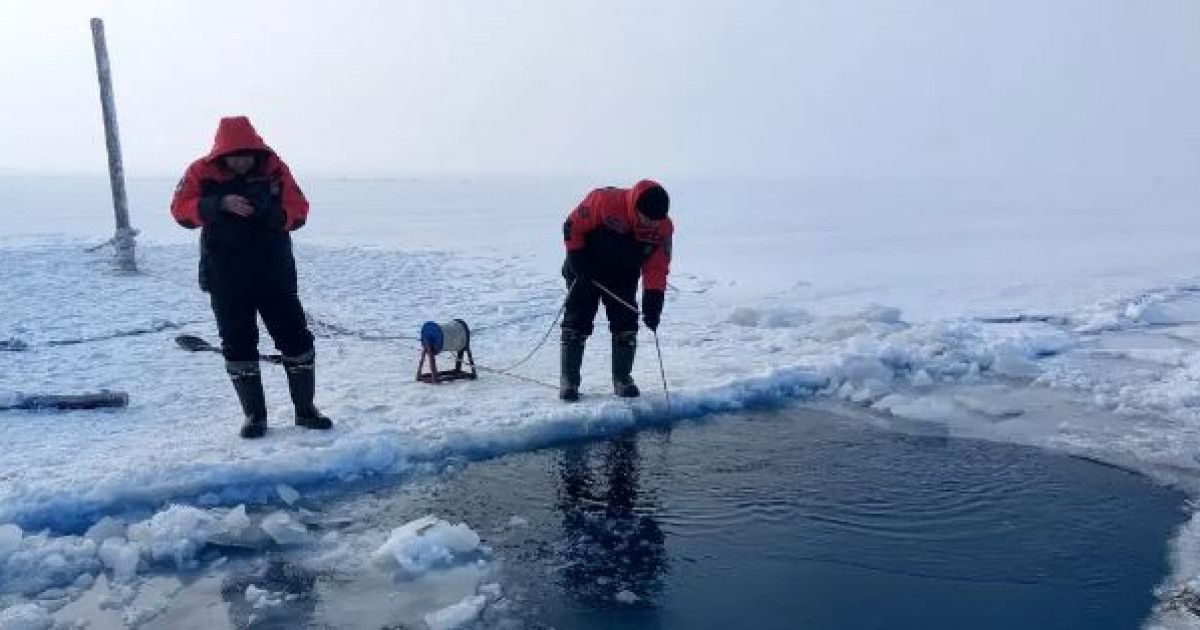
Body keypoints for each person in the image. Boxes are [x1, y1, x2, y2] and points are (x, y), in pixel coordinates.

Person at [170, 116, 332, 438]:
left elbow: (299, 209)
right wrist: (218, 203)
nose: (241, 161)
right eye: (234, 155)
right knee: (238, 345)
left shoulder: (274, 168)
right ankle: (254, 416)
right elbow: (180, 210)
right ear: (221, 154)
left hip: (274, 274)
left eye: (246, 154)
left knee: (296, 340)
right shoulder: (200, 172)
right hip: (226, 278)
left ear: (255, 150)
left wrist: (271, 213)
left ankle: (306, 410)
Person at [559, 179, 673, 401]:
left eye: (656, 221)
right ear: (635, 209)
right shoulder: (604, 201)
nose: (651, 225)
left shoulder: (663, 227)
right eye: (647, 219)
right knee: (576, 323)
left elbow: (657, 266)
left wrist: (654, 301)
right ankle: (569, 381)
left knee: (627, 325)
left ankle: (622, 379)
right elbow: (571, 227)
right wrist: (579, 264)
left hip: (623, 275)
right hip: (586, 267)